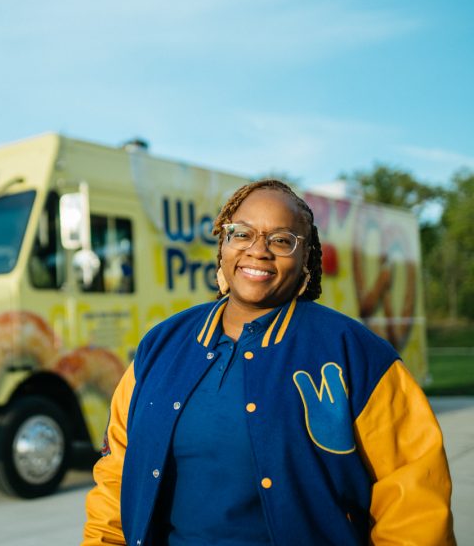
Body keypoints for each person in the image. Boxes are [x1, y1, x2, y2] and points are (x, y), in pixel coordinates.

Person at [82, 179, 455, 545]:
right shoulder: (160, 347)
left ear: (306, 259)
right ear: (223, 246)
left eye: (281, 240)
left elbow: (414, 503)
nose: (258, 250)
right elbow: (116, 480)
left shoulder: (356, 354)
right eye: (242, 234)